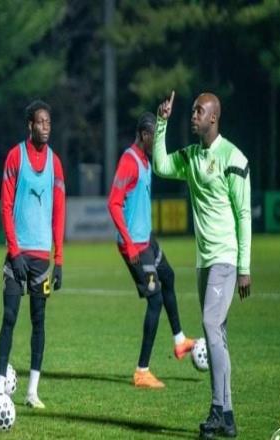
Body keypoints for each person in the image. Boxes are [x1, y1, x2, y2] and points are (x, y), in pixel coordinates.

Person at [154, 91, 251, 438]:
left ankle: (217, 409)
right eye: (193, 110)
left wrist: (244, 267)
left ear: (213, 118)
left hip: (225, 258)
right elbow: (161, 166)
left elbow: (243, 214)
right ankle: (228, 417)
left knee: (210, 325)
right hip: (203, 263)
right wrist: (162, 123)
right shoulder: (192, 156)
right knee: (217, 334)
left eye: (199, 111)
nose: (193, 115)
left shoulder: (233, 157)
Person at [108, 112, 194, 389]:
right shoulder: (129, 161)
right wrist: (129, 243)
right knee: (155, 301)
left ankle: (180, 341)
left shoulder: (146, 161)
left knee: (168, 276)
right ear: (144, 135)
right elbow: (113, 203)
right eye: (155, 137)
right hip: (133, 245)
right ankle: (141, 371)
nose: (157, 142)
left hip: (147, 240)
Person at [0, 99, 65, 409]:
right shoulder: (15, 156)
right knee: (9, 317)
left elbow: (59, 212)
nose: (45, 127)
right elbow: (6, 205)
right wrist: (14, 251)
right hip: (17, 257)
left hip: (42, 259)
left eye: (48, 122)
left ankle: (32, 392)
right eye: (40, 122)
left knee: (39, 321)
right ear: (30, 125)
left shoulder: (55, 163)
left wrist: (58, 259)